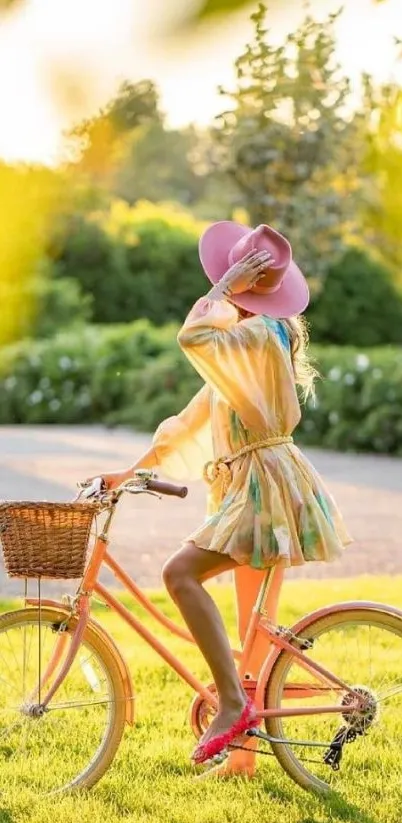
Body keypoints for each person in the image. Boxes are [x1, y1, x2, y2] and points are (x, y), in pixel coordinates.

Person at [86, 221, 352, 768]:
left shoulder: (257, 337)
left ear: (247, 285)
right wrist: (126, 473)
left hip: (264, 487)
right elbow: (190, 421)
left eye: (234, 280)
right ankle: (244, 758)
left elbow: (192, 337)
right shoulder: (253, 348)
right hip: (257, 485)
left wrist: (223, 286)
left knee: (179, 575)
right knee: (249, 627)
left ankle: (232, 703)